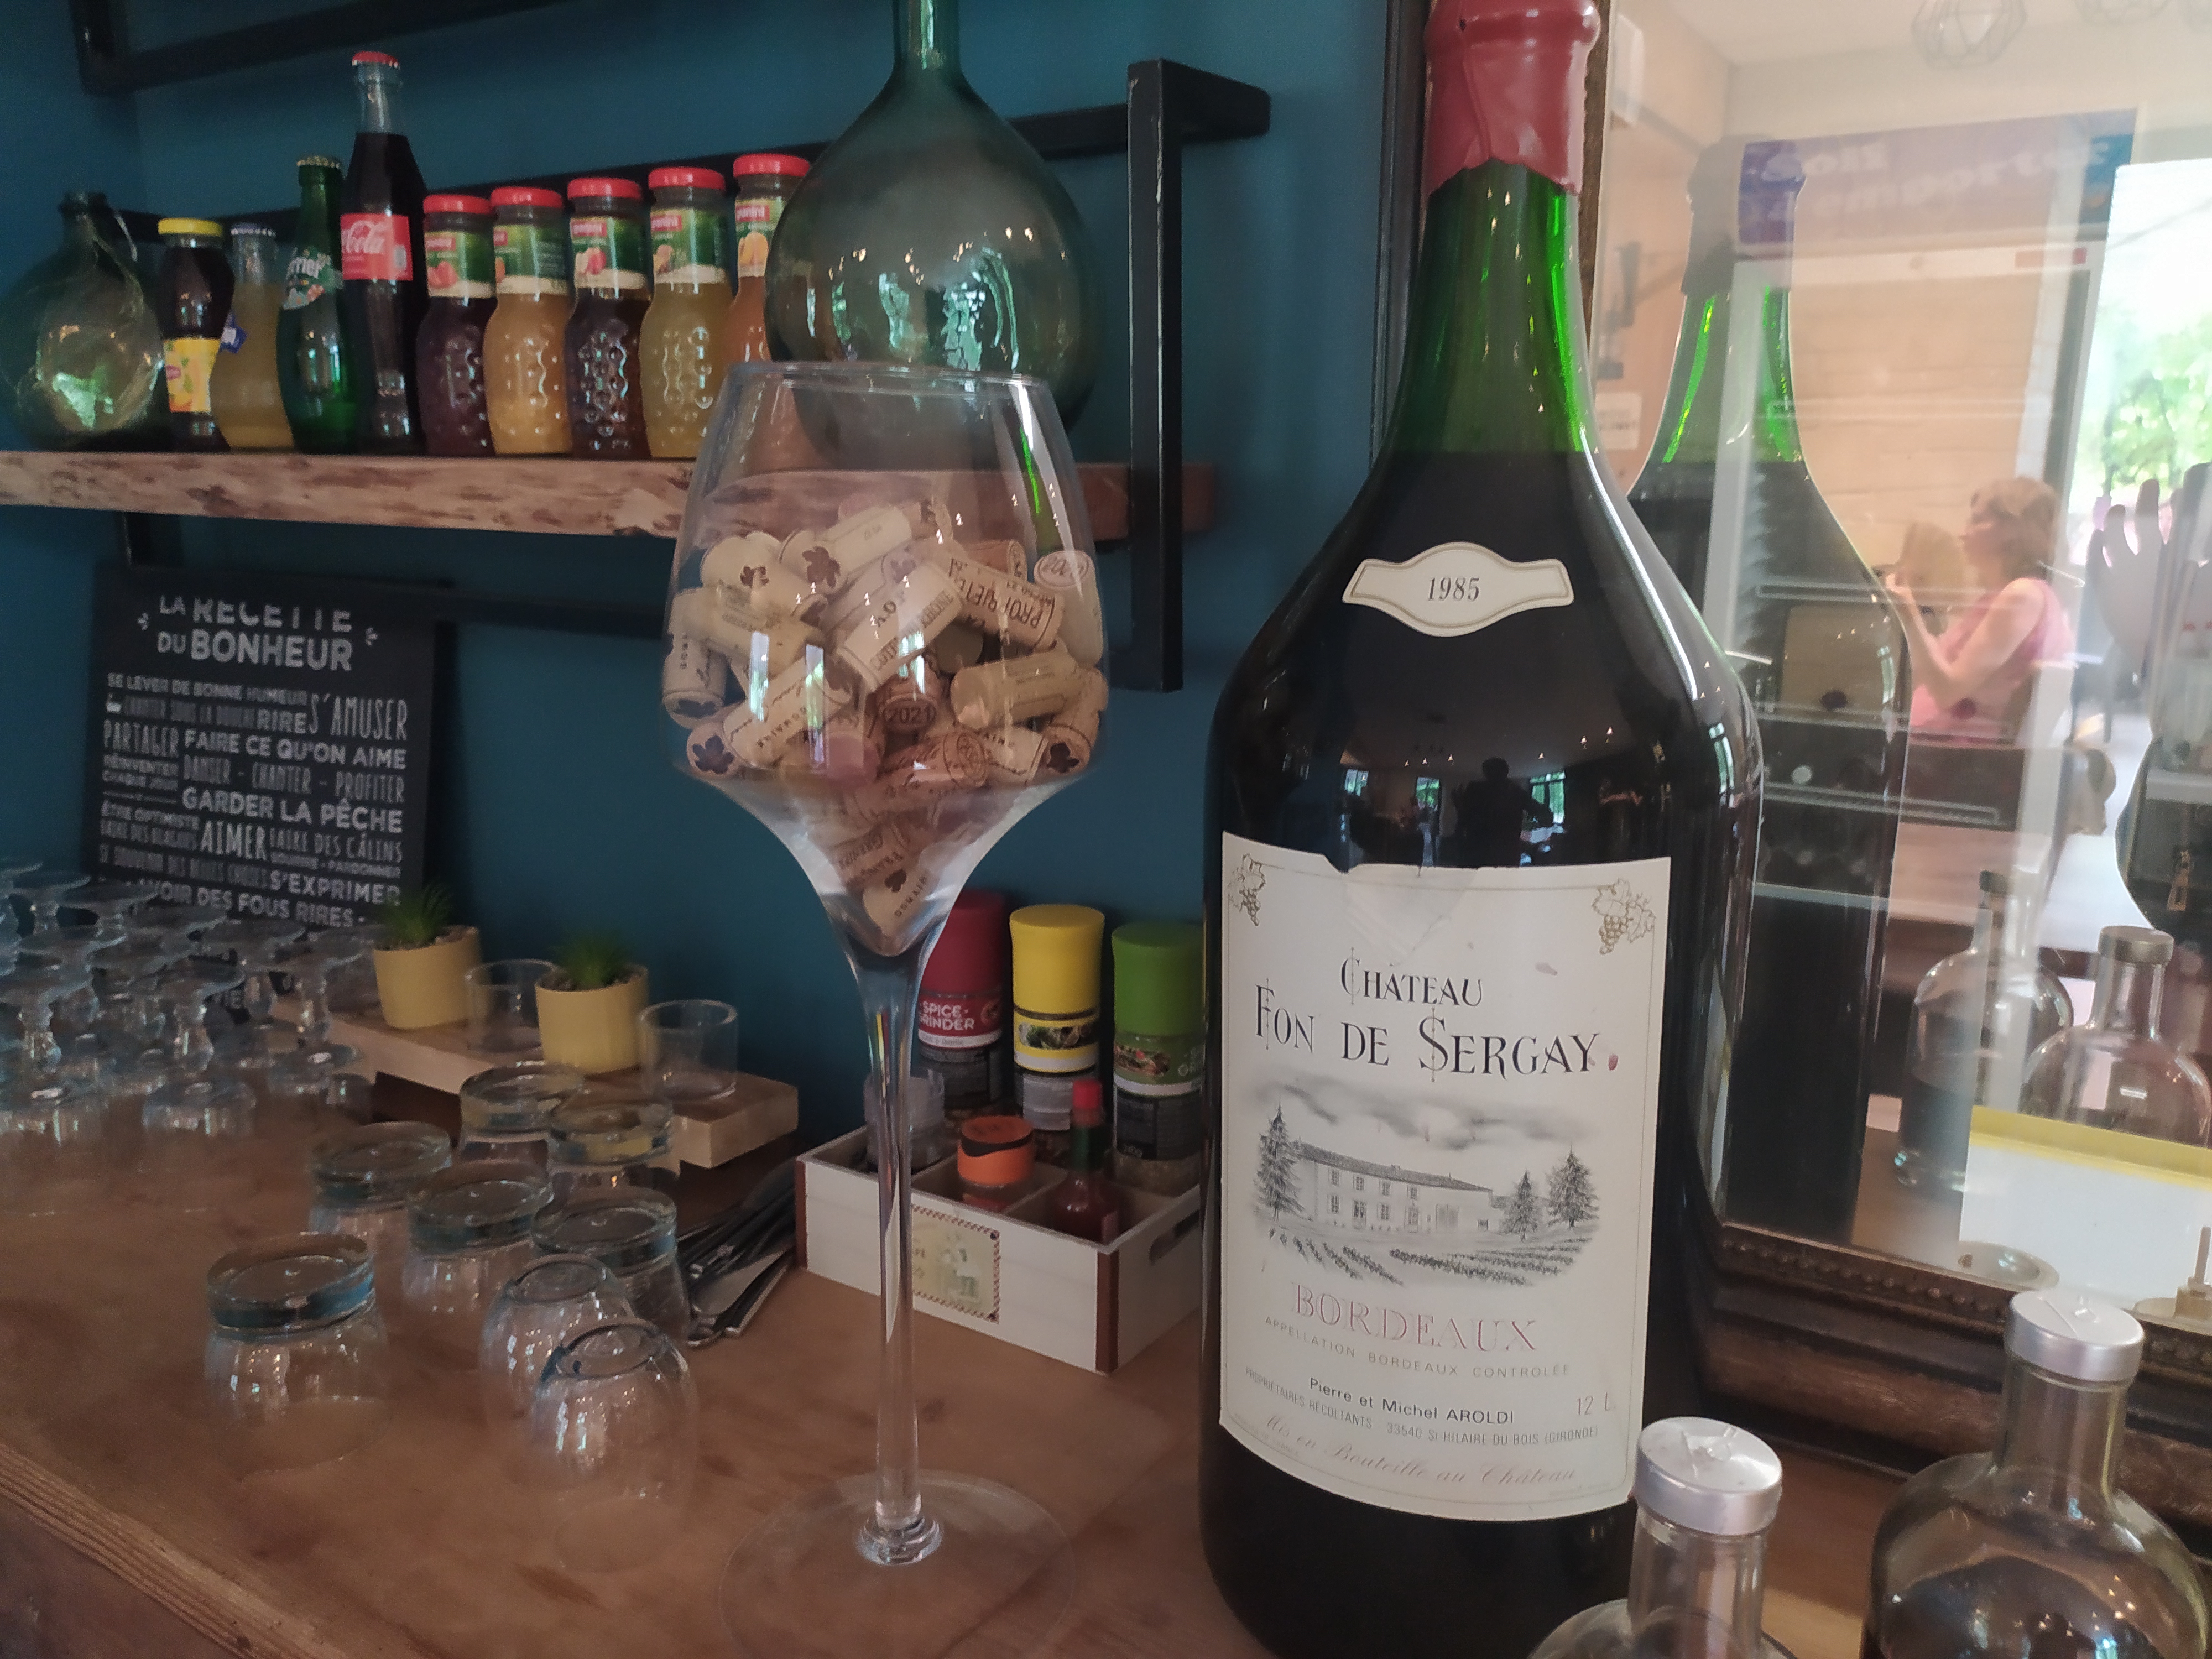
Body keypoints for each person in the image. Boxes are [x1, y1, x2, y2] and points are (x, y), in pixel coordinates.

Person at [1886, 476, 2074, 742]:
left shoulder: (2021, 595)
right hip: (1931, 744)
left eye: (1977, 520)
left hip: (1951, 754)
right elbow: (1930, 673)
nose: (1963, 533)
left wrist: (1908, 612)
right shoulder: (2009, 595)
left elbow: (1947, 691)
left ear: (2013, 528)